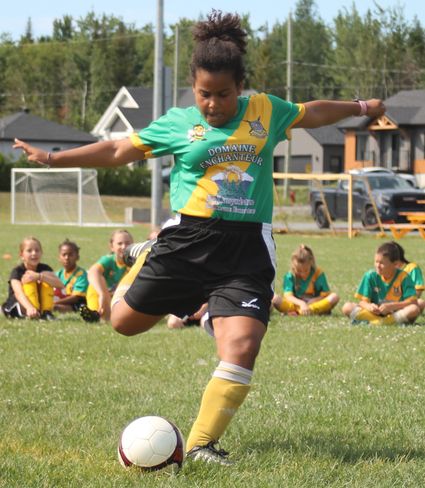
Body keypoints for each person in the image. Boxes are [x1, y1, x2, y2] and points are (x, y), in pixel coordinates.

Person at [13, 10, 386, 465]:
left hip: (246, 248)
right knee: (121, 322)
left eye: (224, 95)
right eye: (204, 94)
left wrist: (361, 108)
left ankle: (201, 444)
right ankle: (152, 256)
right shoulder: (178, 123)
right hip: (187, 240)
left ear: (240, 88)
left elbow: (311, 113)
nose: (213, 104)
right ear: (194, 88)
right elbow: (115, 150)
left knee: (243, 346)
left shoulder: (266, 111)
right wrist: (52, 158)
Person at [342, 242, 421, 325]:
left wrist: (391, 306)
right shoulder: (370, 276)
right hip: (374, 314)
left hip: (395, 313)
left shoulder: (404, 277)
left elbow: (413, 302)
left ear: (395, 264)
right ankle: (384, 322)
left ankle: (380, 322)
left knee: (414, 309)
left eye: (382, 263)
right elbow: (362, 302)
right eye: (376, 262)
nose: (377, 266)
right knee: (347, 307)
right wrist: (370, 307)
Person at [1, 236, 63, 320]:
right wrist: (29, 307)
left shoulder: (45, 269)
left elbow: (60, 285)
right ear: (22, 255)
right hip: (21, 304)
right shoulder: (17, 271)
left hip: (39, 304)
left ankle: (46, 312)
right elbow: (18, 293)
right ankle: (32, 311)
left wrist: (40, 276)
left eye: (37, 250)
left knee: (46, 280)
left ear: (41, 253)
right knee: (28, 281)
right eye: (29, 251)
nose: (34, 253)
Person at [80, 229, 133, 323]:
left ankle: (106, 315)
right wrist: (103, 294)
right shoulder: (109, 260)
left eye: (127, 243)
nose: (124, 247)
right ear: (112, 247)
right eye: (119, 244)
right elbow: (93, 272)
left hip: (124, 299)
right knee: (95, 284)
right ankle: (95, 313)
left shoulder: (136, 263)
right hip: (106, 298)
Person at [272, 244, 339, 316]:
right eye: (299, 271)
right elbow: (288, 296)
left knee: (334, 297)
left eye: (306, 270)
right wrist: (302, 304)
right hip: (295, 304)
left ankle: (301, 312)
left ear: (311, 263)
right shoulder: (290, 276)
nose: (303, 274)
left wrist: (311, 302)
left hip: (313, 304)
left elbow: (324, 295)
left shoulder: (318, 273)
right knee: (275, 299)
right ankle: (307, 312)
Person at [54, 239, 88, 313]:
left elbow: (76, 297)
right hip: (62, 301)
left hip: (76, 303)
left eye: (70, 255)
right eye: (64, 255)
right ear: (59, 257)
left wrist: (56, 302)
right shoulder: (58, 274)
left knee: (55, 307)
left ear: (77, 257)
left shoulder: (81, 274)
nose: (67, 258)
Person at [390, 241, 425, 313]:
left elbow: (418, 292)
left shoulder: (412, 268)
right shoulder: (386, 269)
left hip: (406, 304)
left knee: (421, 303)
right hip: (388, 302)